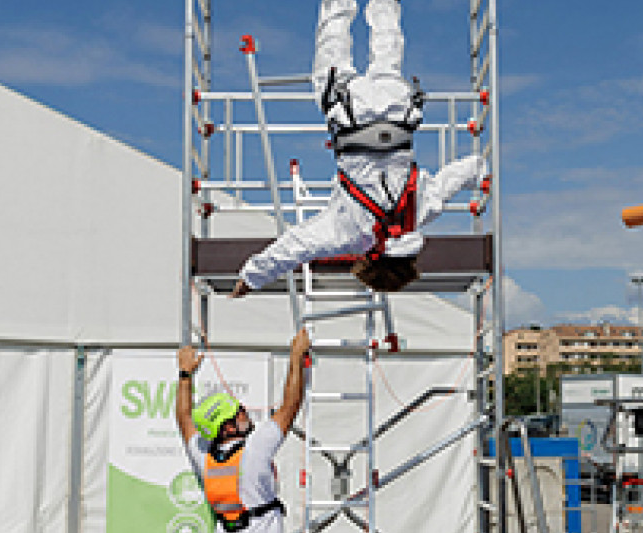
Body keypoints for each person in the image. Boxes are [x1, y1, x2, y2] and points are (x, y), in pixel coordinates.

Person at [231, 0, 488, 298]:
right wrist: (250, 279)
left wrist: (483, 174)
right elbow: (294, 246)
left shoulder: (420, 213)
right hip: (350, 115)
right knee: (333, 40)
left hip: (397, 112)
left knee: (388, 45)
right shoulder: (350, 235)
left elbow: (460, 173)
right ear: (370, 262)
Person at [175, 329, 310, 533]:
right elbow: (290, 406)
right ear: (228, 427)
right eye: (239, 412)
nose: (245, 412)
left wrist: (185, 374)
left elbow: (184, 419)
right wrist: (296, 356)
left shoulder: (204, 457)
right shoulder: (254, 448)